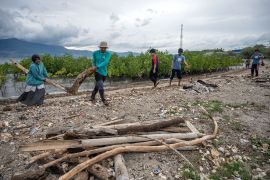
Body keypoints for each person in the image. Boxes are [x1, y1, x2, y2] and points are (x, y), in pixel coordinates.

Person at [90, 41, 111, 105]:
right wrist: (93, 67)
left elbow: (106, 62)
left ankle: (92, 97)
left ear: (106, 48)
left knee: (97, 86)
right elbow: (93, 61)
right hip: (97, 72)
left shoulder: (108, 54)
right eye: (102, 47)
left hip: (104, 72)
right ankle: (103, 100)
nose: (103, 49)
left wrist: (97, 66)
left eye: (104, 48)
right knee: (101, 87)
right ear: (100, 47)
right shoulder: (95, 53)